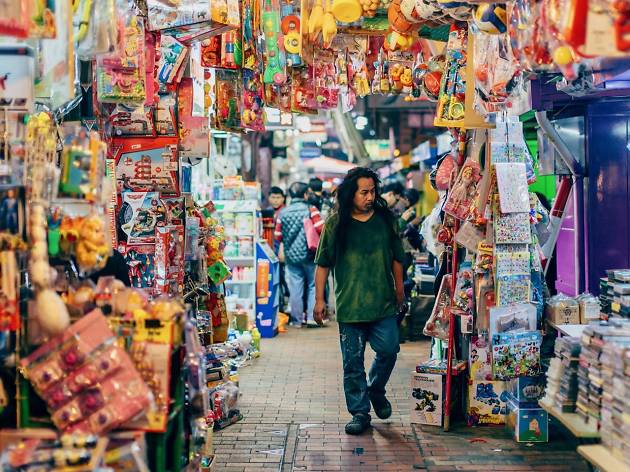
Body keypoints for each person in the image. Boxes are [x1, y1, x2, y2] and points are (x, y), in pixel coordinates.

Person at [313, 167, 406, 435]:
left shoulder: (386, 220)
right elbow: (322, 265)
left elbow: (397, 258)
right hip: (350, 306)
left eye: (372, 191)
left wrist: (399, 289)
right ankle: (360, 412)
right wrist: (319, 300)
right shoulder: (335, 223)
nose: (369, 196)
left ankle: (376, 389)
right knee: (352, 363)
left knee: (389, 349)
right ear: (350, 194)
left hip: (383, 303)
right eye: (363, 192)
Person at [275, 182, 324, 327]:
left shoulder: (283, 212)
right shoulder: (311, 209)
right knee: (312, 285)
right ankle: (311, 318)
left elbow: (278, 236)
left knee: (295, 287)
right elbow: (321, 229)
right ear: (305, 194)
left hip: (291, 257)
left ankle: (296, 320)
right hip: (310, 254)